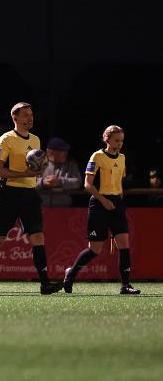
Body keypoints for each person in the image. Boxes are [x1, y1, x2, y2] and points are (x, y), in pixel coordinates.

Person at [0, 102, 63, 295]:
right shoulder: (5, 140)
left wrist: (40, 170)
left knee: (38, 236)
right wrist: (24, 173)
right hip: (9, 192)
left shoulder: (35, 140)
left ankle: (45, 283)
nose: (29, 118)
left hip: (29, 193)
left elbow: (35, 169)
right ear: (14, 118)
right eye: (25, 115)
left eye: (31, 114)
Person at [63, 126, 140, 295]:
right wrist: (104, 201)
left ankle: (125, 286)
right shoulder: (97, 156)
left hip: (116, 204)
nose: (119, 144)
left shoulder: (122, 158)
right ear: (107, 140)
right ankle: (71, 274)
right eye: (116, 140)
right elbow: (87, 184)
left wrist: (117, 204)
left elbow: (119, 184)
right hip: (99, 203)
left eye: (121, 141)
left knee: (124, 245)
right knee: (95, 249)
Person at [37, 137, 82, 207]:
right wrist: (43, 182)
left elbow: (78, 182)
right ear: (50, 152)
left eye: (66, 151)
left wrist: (59, 181)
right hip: (42, 208)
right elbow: (30, 182)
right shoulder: (38, 163)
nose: (66, 153)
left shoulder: (71, 164)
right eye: (62, 151)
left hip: (64, 209)